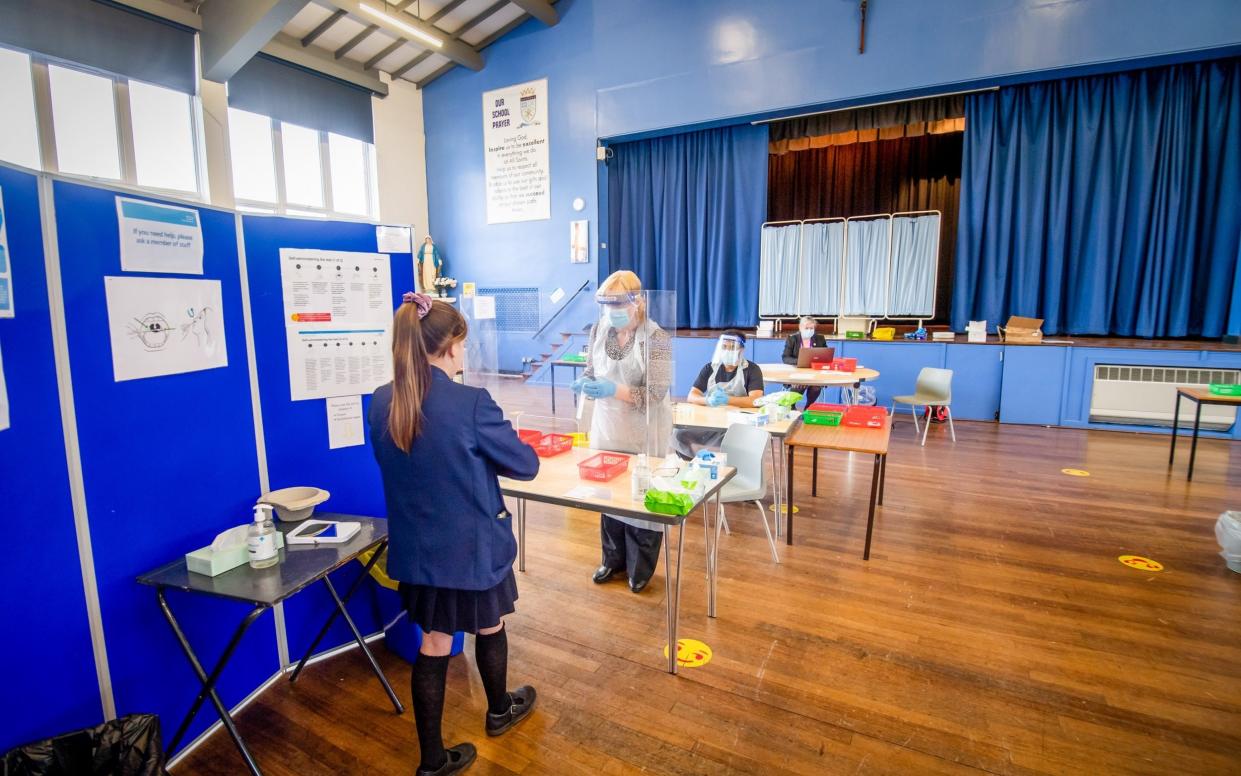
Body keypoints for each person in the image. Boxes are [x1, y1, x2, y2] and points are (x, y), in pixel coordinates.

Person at [370, 292, 539, 776]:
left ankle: (432, 761)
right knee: (490, 625)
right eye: (461, 345)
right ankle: (499, 710)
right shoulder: (470, 403)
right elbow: (524, 465)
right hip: (473, 552)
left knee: (435, 642)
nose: (464, 354)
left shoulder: (383, 400)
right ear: (447, 348)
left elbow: (402, 464)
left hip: (420, 554)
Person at [571, 271, 673, 594]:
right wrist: (587, 384)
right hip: (608, 426)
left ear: (637, 301)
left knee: (640, 496)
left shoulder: (656, 338)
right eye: (606, 303)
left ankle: (639, 566)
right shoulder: (601, 330)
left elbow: (655, 393)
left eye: (617, 303)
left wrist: (614, 390)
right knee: (609, 494)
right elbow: (591, 368)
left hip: (644, 429)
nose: (611, 310)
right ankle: (612, 559)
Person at [672, 330, 764, 459]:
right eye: (724, 347)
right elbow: (692, 396)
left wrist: (727, 400)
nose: (727, 350)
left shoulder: (752, 369)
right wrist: (707, 400)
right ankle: (696, 463)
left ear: (741, 350)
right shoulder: (710, 368)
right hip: (711, 421)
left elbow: (756, 400)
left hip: (736, 424)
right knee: (678, 434)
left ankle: (722, 466)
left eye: (732, 347)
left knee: (732, 441)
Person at [782, 316, 828, 406]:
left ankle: (809, 407)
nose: (809, 330)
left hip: (815, 374)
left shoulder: (820, 339)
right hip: (797, 373)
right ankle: (792, 407)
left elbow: (825, 355)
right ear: (800, 328)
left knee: (816, 387)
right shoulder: (792, 339)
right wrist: (801, 361)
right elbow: (785, 358)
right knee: (799, 385)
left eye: (811, 328)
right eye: (806, 328)